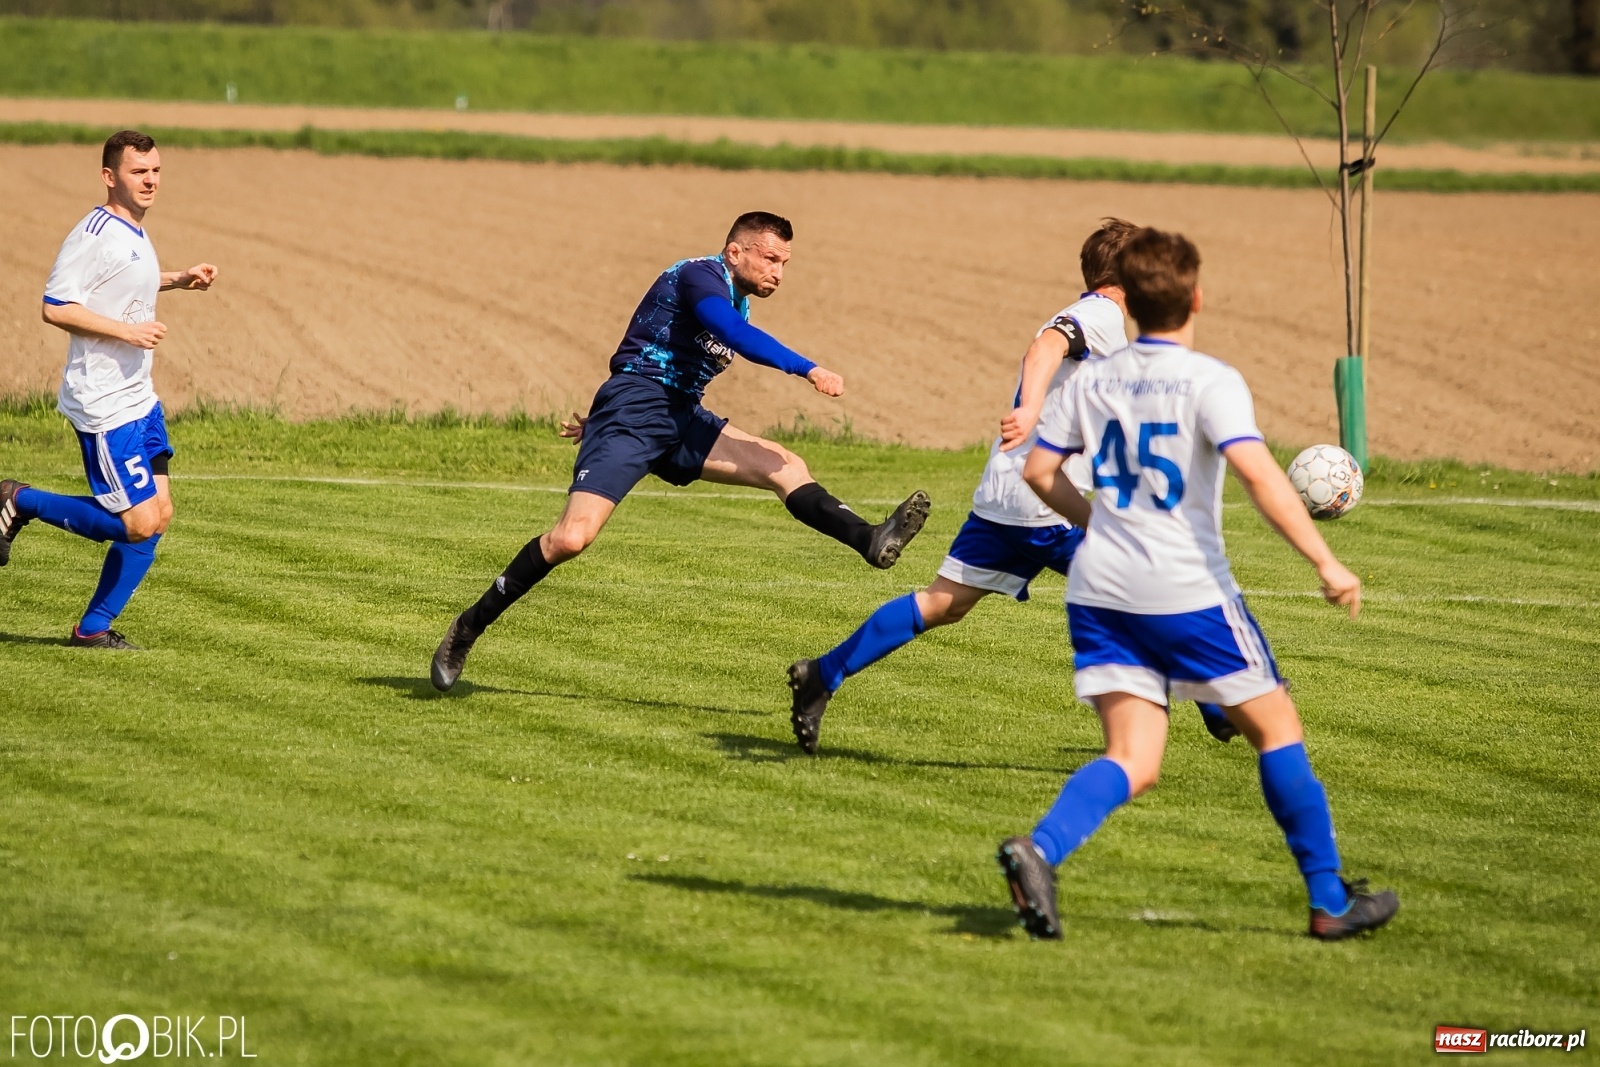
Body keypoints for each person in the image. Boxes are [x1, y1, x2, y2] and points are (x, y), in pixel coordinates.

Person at [996, 227, 1398, 942]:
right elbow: (1260, 476)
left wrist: (1095, 521)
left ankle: (1040, 848)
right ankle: (1329, 903)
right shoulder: (1210, 380)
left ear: (1131, 304)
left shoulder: (1091, 380)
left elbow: (1037, 469)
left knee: (1133, 758)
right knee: (1276, 727)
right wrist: (1326, 563)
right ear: (1196, 298)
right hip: (1184, 588)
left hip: (1099, 588)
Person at [430, 211, 930, 692]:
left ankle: (868, 537)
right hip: (634, 414)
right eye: (770, 259)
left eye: (785, 264)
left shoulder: (738, 297)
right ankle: (468, 627)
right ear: (735, 252)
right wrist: (808, 368)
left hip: (678, 417)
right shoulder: (699, 277)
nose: (778, 272)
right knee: (571, 539)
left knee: (784, 466)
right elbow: (732, 337)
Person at [786, 219, 1139, 754]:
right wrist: (1030, 408)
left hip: (1006, 496)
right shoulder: (1101, 315)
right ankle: (1215, 704)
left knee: (942, 604)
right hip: (1044, 503)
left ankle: (822, 675)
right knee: (1145, 588)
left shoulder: (1102, 319)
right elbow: (1044, 347)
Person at [0, 130, 218, 649]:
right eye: (138, 172)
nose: (150, 181)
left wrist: (177, 278)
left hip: (139, 397)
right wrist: (129, 332)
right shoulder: (92, 233)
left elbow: (124, 281)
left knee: (158, 514)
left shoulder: (133, 231)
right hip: (102, 401)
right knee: (138, 520)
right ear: (109, 176)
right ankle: (18, 499)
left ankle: (92, 628)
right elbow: (56, 306)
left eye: (156, 171)